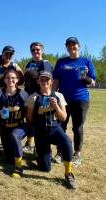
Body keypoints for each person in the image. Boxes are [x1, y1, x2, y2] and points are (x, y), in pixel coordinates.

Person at [25, 70, 77, 189]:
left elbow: (63, 118)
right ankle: (40, 153)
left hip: (55, 129)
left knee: (67, 142)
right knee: (45, 169)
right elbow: (30, 118)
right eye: (42, 79)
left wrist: (56, 106)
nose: (44, 82)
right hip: (41, 133)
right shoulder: (33, 97)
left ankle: (68, 173)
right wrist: (40, 119)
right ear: (38, 81)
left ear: (52, 82)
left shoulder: (59, 96)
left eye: (47, 79)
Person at [53, 37, 96, 166]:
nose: (72, 46)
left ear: (79, 46)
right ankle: (60, 152)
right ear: (66, 47)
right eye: (69, 45)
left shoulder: (86, 61)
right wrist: (53, 94)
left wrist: (85, 77)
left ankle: (77, 154)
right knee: (61, 126)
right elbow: (56, 81)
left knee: (77, 128)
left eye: (74, 44)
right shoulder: (61, 62)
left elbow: (92, 83)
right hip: (63, 100)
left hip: (80, 99)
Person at [0, 69, 28, 177]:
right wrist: (5, 111)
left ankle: (19, 167)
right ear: (4, 80)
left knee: (15, 136)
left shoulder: (23, 93)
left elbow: (28, 112)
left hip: (19, 126)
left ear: (17, 80)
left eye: (13, 78)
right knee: (9, 159)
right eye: (8, 78)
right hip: (5, 127)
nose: (10, 80)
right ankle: (15, 155)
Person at [23, 42, 53, 152]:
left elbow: (47, 80)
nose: (35, 52)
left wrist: (35, 74)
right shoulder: (29, 63)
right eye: (33, 50)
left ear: (42, 51)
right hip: (29, 95)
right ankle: (29, 143)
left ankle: (40, 145)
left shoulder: (45, 64)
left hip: (41, 96)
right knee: (29, 118)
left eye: (38, 49)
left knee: (40, 120)